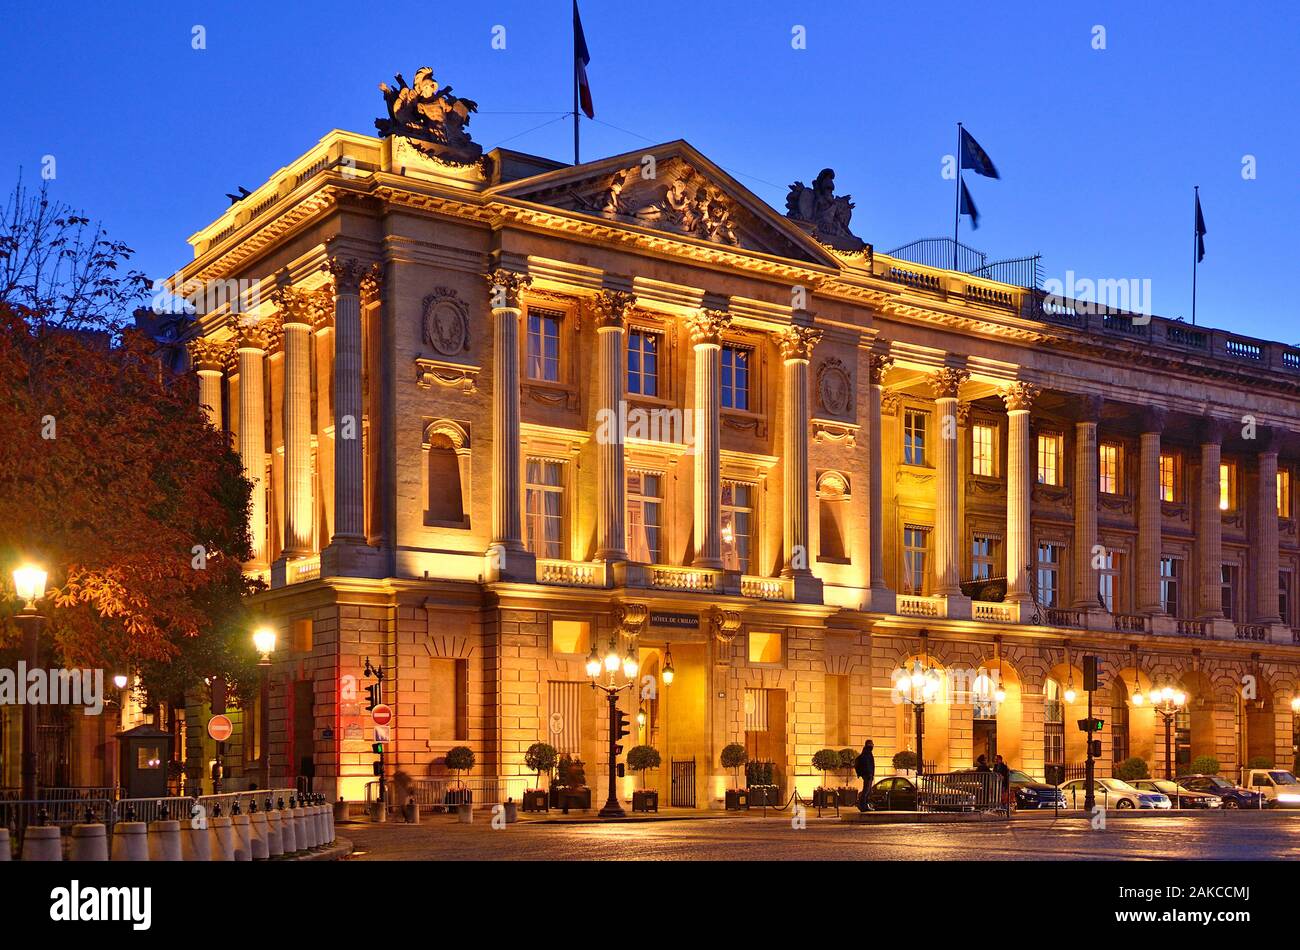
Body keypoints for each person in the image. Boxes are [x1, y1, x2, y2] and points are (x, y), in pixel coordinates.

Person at [854, 739, 875, 811]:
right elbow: (868, 765)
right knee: (866, 791)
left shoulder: (867, 752)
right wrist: (869, 774)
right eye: (872, 744)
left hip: (868, 775)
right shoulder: (867, 753)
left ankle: (864, 805)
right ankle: (863, 806)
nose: (873, 745)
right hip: (868, 775)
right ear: (869, 745)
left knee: (867, 791)